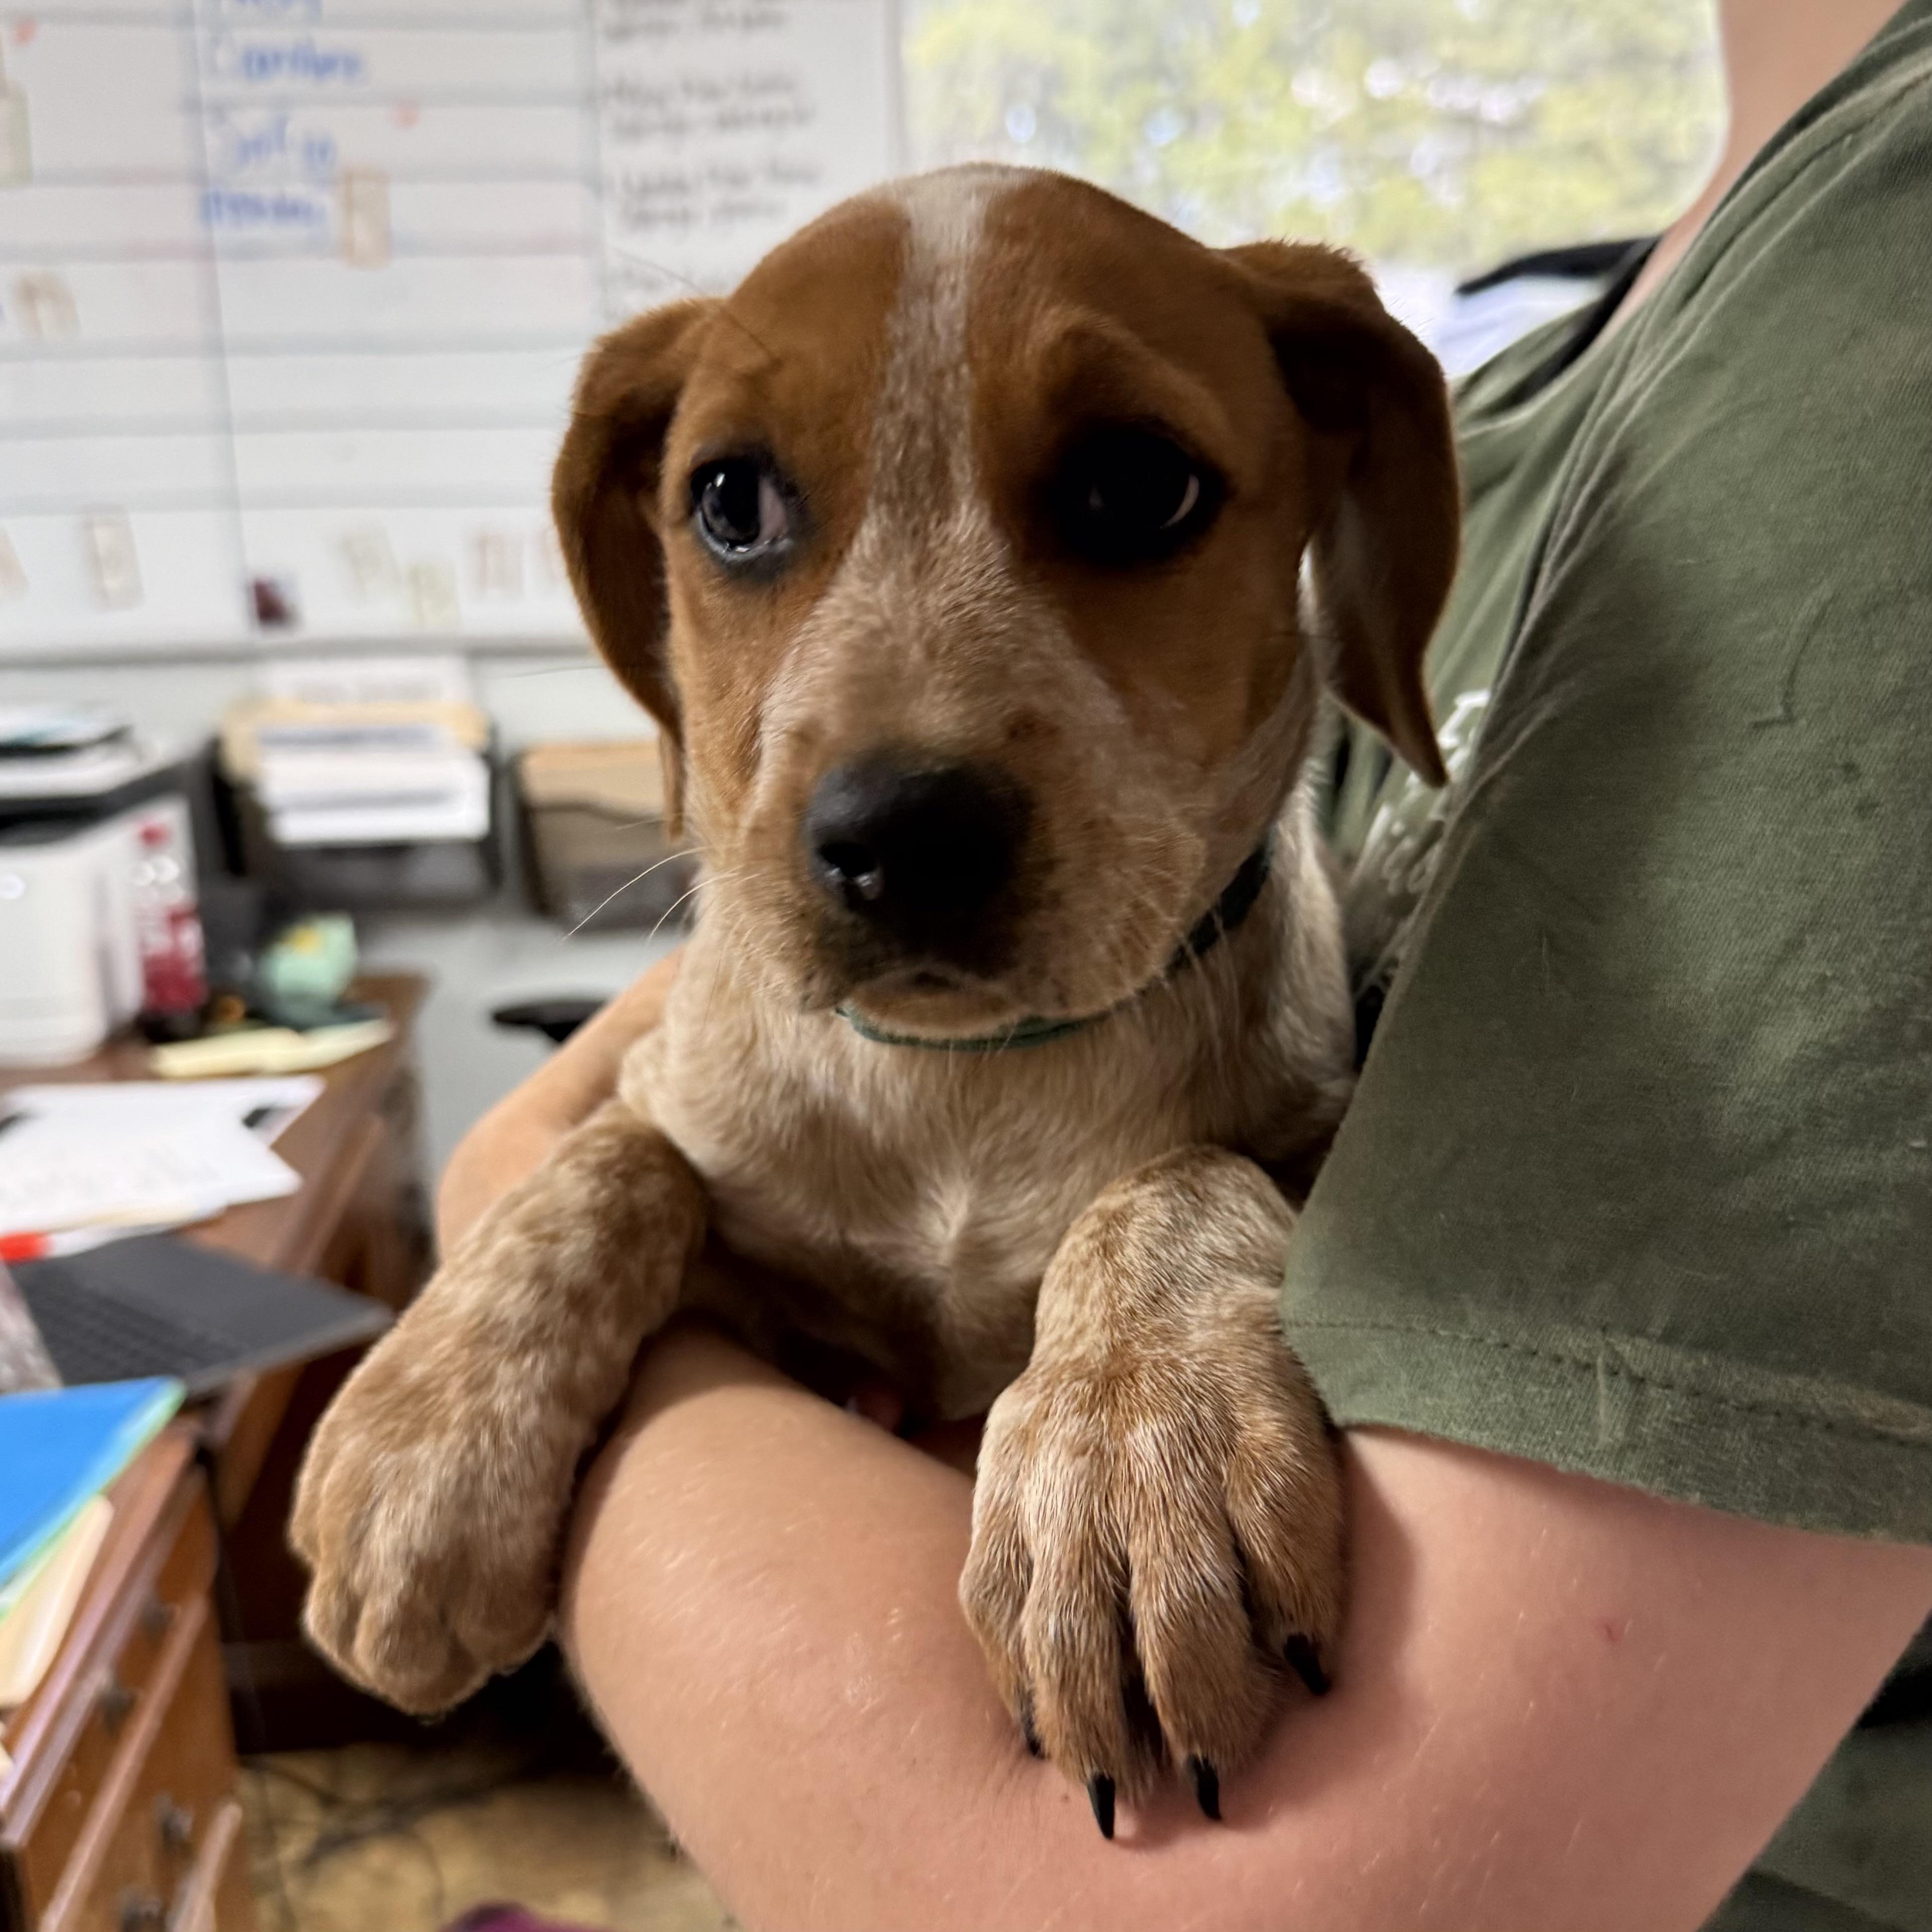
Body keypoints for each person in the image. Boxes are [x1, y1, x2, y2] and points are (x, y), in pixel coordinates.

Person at [440, 2, 1932, 1923]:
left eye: (1126, 493)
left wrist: (1181, 1215)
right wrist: (585, 1209)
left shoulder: (1871, 297)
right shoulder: (1585, 365)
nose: (895, 760)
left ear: (1344, 505)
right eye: (744, 509)